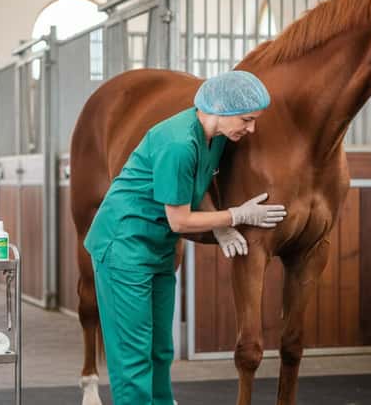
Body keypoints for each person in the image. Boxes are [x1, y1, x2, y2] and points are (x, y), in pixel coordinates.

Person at [83, 70, 287, 404]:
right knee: (133, 358)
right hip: (123, 246)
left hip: (157, 249)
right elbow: (179, 220)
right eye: (247, 119)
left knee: (161, 350)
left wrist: (218, 225)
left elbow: (200, 181)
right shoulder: (178, 143)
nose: (252, 129)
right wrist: (237, 215)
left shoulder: (216, 136)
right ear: (220, 108)